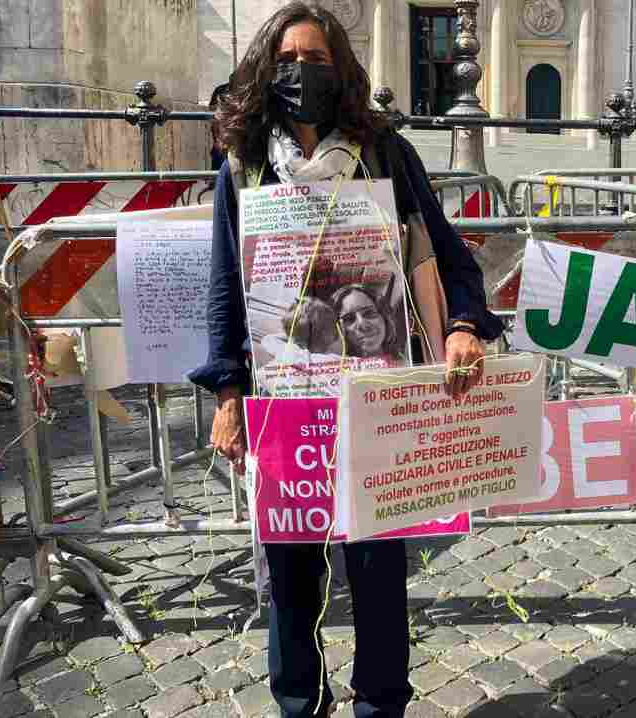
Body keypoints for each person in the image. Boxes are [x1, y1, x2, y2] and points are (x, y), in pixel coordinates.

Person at [187, 4, 502, 717]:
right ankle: (300, 702)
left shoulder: (385, 150)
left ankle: (382, 704)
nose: (304, 74)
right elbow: (223, 286)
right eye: (291, 59)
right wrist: (228, 392)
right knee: (292, 575)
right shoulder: (242, 166)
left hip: (376, 401)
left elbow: (447, 253)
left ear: (344, 70)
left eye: (320, 60)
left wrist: (461, 327)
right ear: (268, 70)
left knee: (378, 571)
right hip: (284, 404)